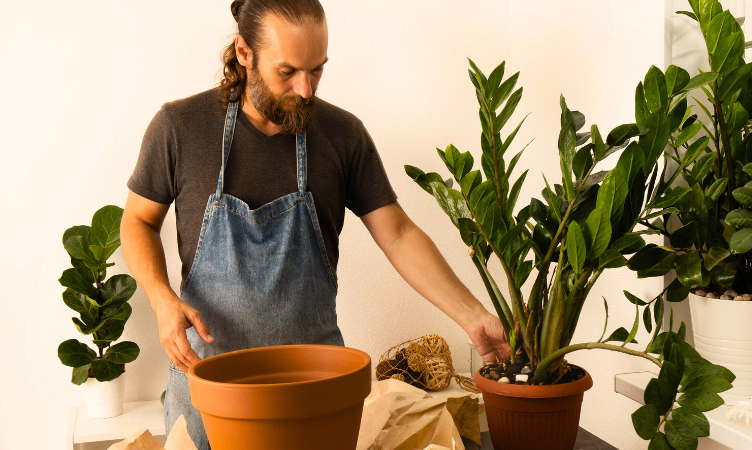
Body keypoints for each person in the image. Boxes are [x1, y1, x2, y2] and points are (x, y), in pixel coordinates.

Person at [119, 1, 509, 448]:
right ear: (244, 52)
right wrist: (161, 298)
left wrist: (474, 316)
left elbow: (399, 234)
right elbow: (137, 221)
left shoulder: (343, 135)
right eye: (287, 72)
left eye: (317, 70)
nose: (305, 90)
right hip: (207, 398)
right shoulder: (179, 128)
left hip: (316, 399)